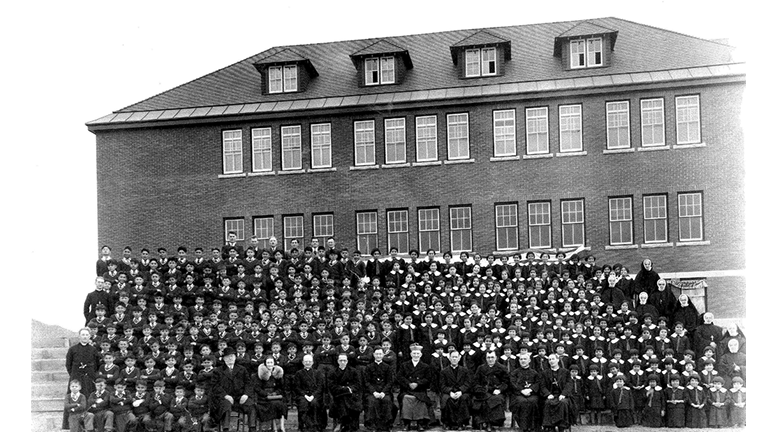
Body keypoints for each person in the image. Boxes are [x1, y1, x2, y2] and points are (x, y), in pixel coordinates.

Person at [212, 347, 255, 432]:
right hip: (225, 398)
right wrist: (226, 396)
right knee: (226, 406)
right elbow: (215, 386)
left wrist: (246, 395)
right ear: (224, 359)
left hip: (240, 397)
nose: (230, 358)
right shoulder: (218, 371)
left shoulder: (242, 369)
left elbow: (248, 384)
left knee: (251, 405)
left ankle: (252, 428)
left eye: (232, 356)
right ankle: (226, 429)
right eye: (228, 356)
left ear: (235, 357)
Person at [398, 343, 433, 431]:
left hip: (420, 390)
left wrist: (417, 383)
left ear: (421, 355)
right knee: (406, 398)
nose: (416, 355)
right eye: (414, 353)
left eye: (418, 354)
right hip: (407, 389)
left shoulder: (425, 366)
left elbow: (428, 379)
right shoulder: (404, 365)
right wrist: (409, 384)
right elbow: (399, 377)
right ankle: (407, 422)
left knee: (420, 398)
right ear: (411, 354)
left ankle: (420, 422)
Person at [328, 353, 362, 432]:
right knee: (343, 399)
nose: (342, 362)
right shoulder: (332, 372)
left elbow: (357, 384)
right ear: (337, 361)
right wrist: (345, 389)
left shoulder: (353, 371)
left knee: (346, 399)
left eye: (344, 360)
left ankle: (342, 422)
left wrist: (349, 389)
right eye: (341, 360)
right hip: (337, 396)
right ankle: (346, 424)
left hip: (351, 395)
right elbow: (332, 386)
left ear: (347, 361)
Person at [439, 350, 472, 430]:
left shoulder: (465, 371)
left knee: (463, 399)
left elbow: (467, 384)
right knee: (447, 399)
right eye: (452, 357)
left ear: (459, 358)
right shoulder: (444, 371)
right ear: (449, 358)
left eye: (456, 357)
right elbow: (442, 386)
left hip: (461, 392)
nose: (454, 359)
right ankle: (448, 423)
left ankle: (461, 423)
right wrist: (450, 392)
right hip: (449, 392)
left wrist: (461, 391)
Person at [539, 353, 572, 432]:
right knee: (547, 403)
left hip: (562, 395)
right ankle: (550, 427)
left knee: (563, 403)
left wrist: (563, 394)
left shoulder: (565, 372)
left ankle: (562, 426)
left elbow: (569, 384)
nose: (551, 361)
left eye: (553, 359)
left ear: (558, 360)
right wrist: (548, 394)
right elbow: (542, 386)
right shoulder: (545, 373)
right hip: (551, 394)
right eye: (549, 359)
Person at [253, 356, 287, 432]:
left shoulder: (278, 373)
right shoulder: (259, 374)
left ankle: (281, 427)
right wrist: (266, 394)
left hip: (275, 395)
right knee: (273, 404)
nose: (270, 364)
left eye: (271, 362)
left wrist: (276, 393)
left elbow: (281, 387)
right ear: (265, 363)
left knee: (281, 404)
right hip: (263, 397)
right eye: (268, 362)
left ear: (274, 363)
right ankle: (274, 427)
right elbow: (257, 388)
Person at [364, 347, 394, 432]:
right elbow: (367, 382)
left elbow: (390, 382)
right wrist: (374, 392)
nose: (378, 356)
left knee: (387, 401)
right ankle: (373, 425)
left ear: (383, 355)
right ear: (373, 355)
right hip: (372, 392)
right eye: (376, 354)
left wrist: (383, 392)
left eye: (380, 354)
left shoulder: (388, 367)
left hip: (384, 392)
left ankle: (385, 425)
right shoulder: (369, 367)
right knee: (372, 401)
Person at [508, 352, 539, 432]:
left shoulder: (534, 373)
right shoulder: (514, 372)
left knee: (534, 401)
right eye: (521, 359)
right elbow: (513, 383)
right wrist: (522, 390)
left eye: (525, 359)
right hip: (518, 394)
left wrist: (530, 389)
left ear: (529, 361)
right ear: (519, 361)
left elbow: (537, 383)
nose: (523, 361)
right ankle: (523, 427)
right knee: (521, 402)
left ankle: (532, 427)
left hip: (531, 394)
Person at [294, 354, 325, 432]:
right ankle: (304, 426)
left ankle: (315, 426)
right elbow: (297, 387)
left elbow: (320, 387)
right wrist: (305, 395)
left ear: (313, 362)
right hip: (303, 395)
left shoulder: (318, 373)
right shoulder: (298, 373)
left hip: (315, 395)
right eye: (306, 361)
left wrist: (313, 395)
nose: (308, 363)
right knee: (303, 404)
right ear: (303, 362)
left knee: (315, 403)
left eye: (309, 361)